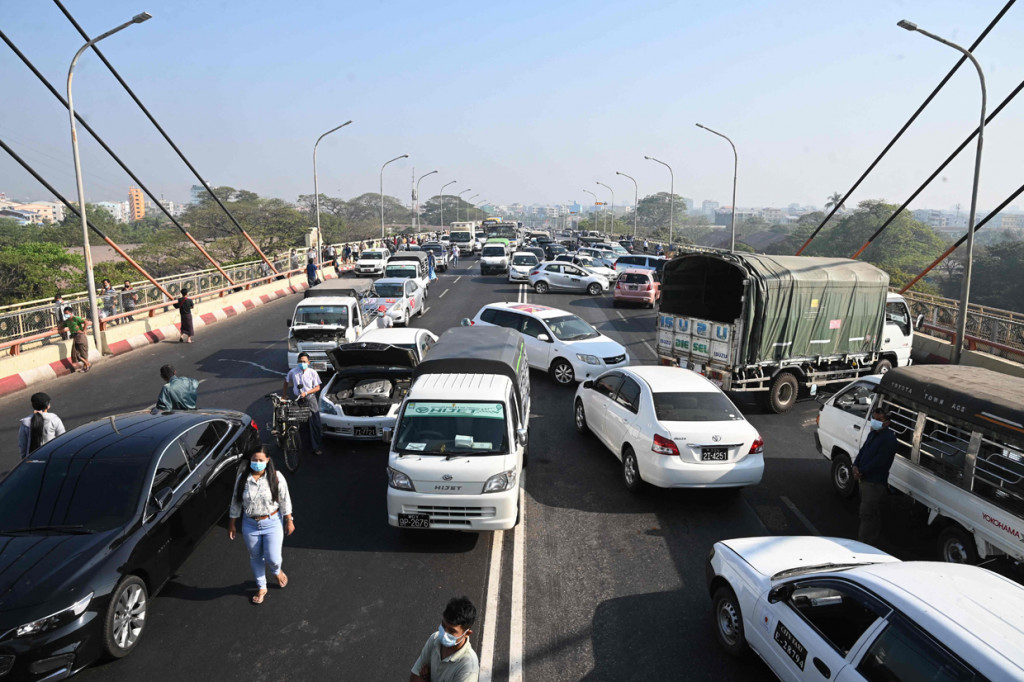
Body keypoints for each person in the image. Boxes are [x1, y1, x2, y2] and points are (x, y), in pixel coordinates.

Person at [228, 448, 294, 605]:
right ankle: (261, 587)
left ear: (268, 460)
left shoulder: (276, 477)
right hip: (250, 524)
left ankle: (276, 571)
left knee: (273, 558)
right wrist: (232, 524)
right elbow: (235, 502)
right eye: (254, 460)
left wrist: (289, 519)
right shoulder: (242, 479)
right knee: (255, 557)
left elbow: (285, 500)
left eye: (260, 460)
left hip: (272, 523)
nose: (257, 463)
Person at [853, 408, 898, 546]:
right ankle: (873, 537)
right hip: (865, 479)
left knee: (866, 513)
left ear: (887, 423)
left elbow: (880, 462)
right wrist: (855, 465)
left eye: (878, 420)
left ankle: (863, 543)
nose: (874, 422)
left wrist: (861, 471)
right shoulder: (873, 434)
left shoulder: (889, 440)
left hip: (874, 482)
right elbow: (863, 450)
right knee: (871, 511)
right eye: (874, 418)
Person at [410, 596, 480, 682]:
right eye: (443, 625)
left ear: (467, 633)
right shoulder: (434, 639)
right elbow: (414, 677)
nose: (444, 633)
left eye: (451, 631)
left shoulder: (468, 667)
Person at [283, 352, 323, 456]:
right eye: (300, 361)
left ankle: (316, 447)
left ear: (308, 362)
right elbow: (286, 382)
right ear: (297, 362)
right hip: (298, 400)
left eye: (304, 361)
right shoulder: (293, 372)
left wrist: (306, 392)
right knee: (301, 424)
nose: (302, 363)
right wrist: (284, 396)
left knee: (315, 423)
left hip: (310, 400)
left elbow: (317, 387)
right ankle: (303, 447)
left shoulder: (313, 372)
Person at [18, 392, 65, 458]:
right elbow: (63, 439)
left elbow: (23, 446)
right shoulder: (54, 419)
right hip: (52, 458)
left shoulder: (25, 422)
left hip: (32, 460)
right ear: (47, 405)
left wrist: (24, 459)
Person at [60, 306, 91, 372]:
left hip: (80, 336)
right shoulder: (67, 321)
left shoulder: (76, 318)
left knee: (83, 353)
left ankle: (86, 366)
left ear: (71, 313)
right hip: (75, 337)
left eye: (67, 313)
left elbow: (86, 322)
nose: (66, 315)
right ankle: (87, 364)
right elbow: (62, 327)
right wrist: (54, 329)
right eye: (65, 313)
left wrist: (84, 330)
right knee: (76, 354)